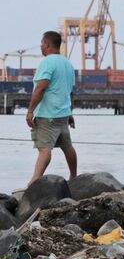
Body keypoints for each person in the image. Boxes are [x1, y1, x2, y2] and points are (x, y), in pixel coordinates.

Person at [26, 31, 77, 186]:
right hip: (63, 114)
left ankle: (34, 182)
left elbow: (41, 88)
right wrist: (69, 113)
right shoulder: (68, 63)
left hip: (47, 114)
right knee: (67, 146)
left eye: (42, 44)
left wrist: (30, 111)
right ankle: (74, 177)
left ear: (47, 45)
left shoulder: (47, 62)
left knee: (44, 149)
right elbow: (68, 90)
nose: (41, 47)